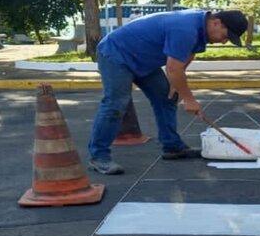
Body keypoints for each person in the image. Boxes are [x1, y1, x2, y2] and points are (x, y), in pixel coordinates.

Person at [87, 10, 248, 175]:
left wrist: (175, 84)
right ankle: (99, 157)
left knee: (167, 97)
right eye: (226, 36)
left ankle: (172, 146)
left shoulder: (199, 27)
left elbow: (188, 54)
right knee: (116, 103)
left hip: (143, 59)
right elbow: (173, 68)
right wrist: (189, 99)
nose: (224, 42)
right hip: (116, 54)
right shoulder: (186, 28)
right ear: (216, 23)